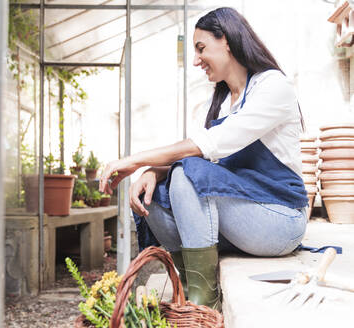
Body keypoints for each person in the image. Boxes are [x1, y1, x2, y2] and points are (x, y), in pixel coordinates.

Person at [98, 7, 308, 311]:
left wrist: (133, 160)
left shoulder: (272, 86)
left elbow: (208, 148)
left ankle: (204, 305)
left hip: (280, 219)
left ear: (228, 41)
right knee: (154, 195)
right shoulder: (222, 102)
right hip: (242, 220)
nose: (196, 60)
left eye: (201, 48)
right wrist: (153, 172)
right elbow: (210, 161)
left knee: (188, 173)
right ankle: (192, 286)